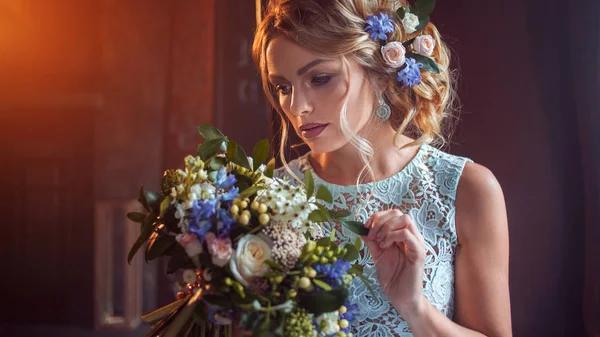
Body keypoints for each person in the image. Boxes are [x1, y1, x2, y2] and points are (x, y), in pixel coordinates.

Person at [251, 0, 512, 336]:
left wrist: (414, 307)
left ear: (379, 71)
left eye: (320, 78)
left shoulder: (467, 190)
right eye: (283, 87)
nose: (297, 106)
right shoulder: (266, 200)